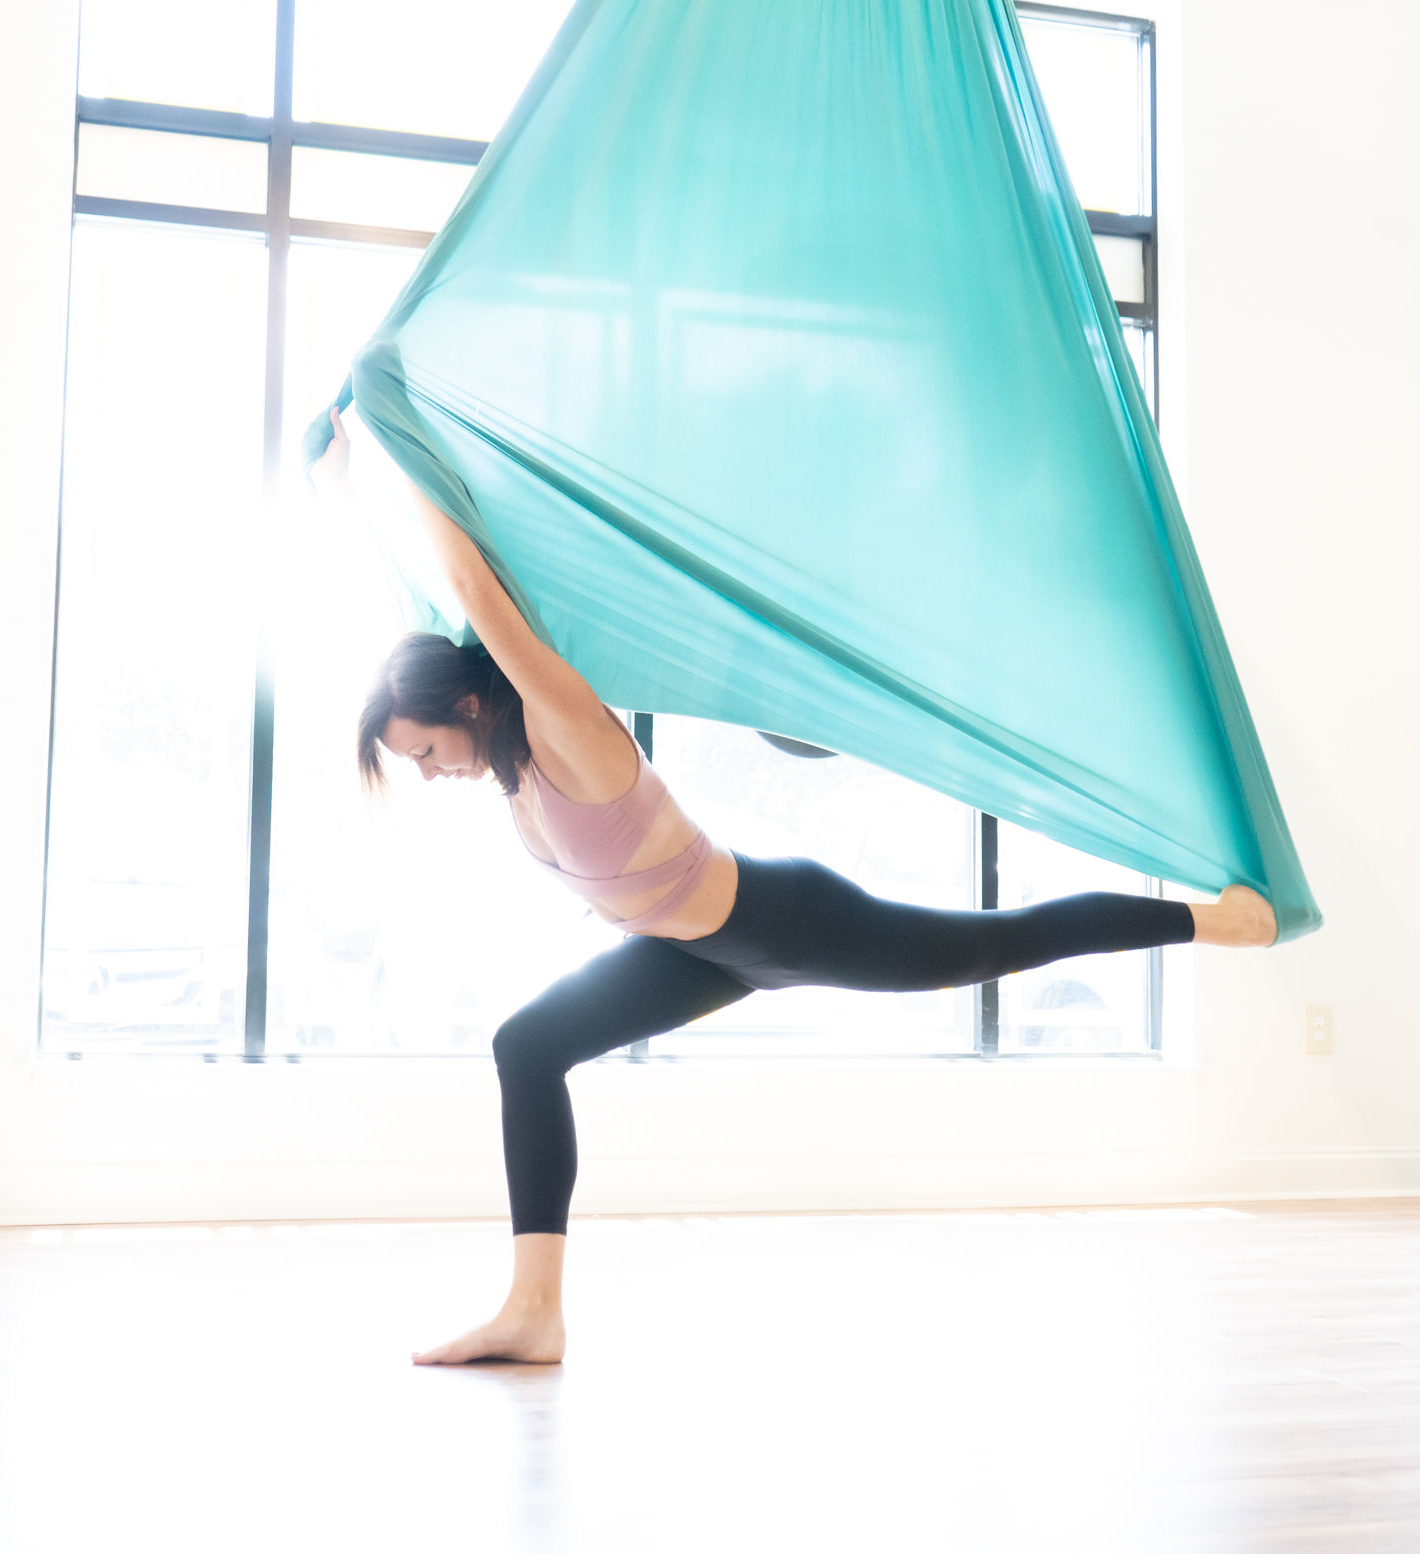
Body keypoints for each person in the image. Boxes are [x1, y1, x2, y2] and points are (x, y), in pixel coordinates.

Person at [310, 410, 1277, 1366]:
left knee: (997, 943)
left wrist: (404, 440)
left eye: (426, 752)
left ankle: (1214, 921)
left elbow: (469, 589)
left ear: (468, 705)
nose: (430, 773)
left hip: (784, 920)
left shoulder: (559, 720)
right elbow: (411, 608)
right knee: (527, 1047)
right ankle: (534, 1311)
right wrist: (340, 484)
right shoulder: (502, 756)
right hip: (694, 951)